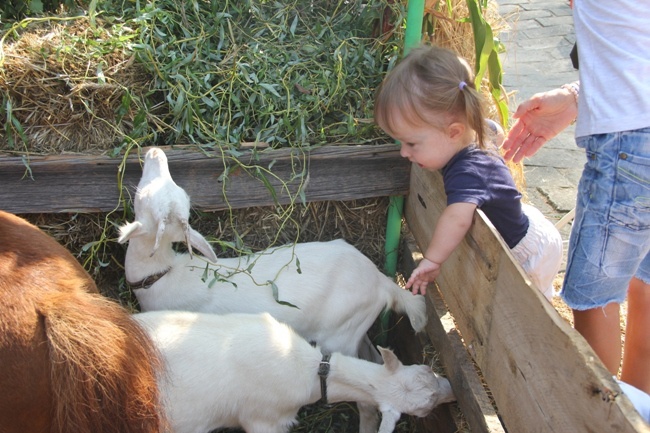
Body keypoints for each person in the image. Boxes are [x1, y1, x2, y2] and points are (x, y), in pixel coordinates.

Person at [501, 0, 650, 402]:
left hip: (631, 142)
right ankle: (636, 410)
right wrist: (577, 95)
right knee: (645, 280)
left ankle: (598, 421)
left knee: (595, 298)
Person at [373, 44, 562, 301]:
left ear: (453, 132)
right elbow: (496, 131)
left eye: (412, 144)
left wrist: (432, 260)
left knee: (531, 306)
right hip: (525, 225)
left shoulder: (468, 171)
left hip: (527, 252)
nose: (404, 153)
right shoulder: (471, 132)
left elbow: (457, 219)